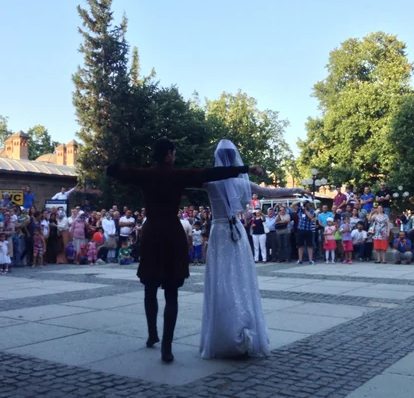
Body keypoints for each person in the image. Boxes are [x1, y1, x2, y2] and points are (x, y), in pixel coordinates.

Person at [106, 137, 263, 363]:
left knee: (149, 287)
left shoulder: (146, 174)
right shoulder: (178, 175)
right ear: (169, 154)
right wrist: (246, 168)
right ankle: (167, 348)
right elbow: (213, 173)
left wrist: (113, 168)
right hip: (172, 233)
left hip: (151, 234)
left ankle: (152, 334)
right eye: (174, 153)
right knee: (172, 292)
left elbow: (120, 172)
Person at [200, 139, 304, 360]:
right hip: (236, 232)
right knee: (241, 279)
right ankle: (244, 325)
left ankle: (222, 332)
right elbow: (271, 192)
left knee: (220, 281)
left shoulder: (209, 182)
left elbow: (187, 179)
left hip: (219, 232)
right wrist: (297, 189)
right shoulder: (241, 184)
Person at [292, 200, 316, 265]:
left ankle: (310, 260)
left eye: (308, 205)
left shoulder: (311, 210)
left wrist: (306, 210)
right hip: (300, 230)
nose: (307, 206)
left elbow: (311, 217)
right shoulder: (300, 210)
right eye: (306, 204)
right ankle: (300, 260)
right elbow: (292, 205)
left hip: (308, 230)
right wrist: (300, 201)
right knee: (300, 246)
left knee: (309, 246)